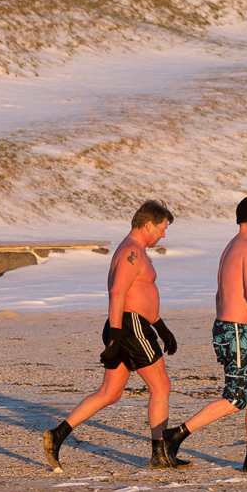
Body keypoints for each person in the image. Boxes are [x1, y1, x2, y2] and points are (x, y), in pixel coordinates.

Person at [42, 200, 185, 471]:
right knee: (161, 387)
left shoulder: (133, 250)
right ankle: (160, 455)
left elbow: (137, 294)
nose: (163, 235)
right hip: (130, 327)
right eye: (162, 228)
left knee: (110, 393)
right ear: (148, 225)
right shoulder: (132, 251)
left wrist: (161, 327)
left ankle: (56, 436)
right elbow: (118, 292)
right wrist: (117, 334)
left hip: (128, 325)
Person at [162, 196, 247, 474]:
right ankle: (175, 436)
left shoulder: (233, 246)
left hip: (233, 329)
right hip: (236, 331)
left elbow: (220, 293)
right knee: (236, 398)